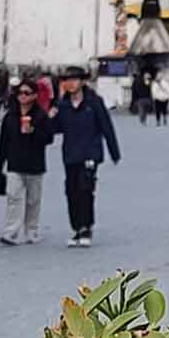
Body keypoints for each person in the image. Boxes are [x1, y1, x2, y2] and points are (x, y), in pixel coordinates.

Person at [53, 66, 120, 247]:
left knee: (85, 189)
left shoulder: (94, 102)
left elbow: (106, 127)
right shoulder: (62, 105)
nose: (70, 83)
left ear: (82, 81)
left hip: (90, 153)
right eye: (67, 80)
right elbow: (55, 129)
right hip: (70, 154)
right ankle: (76, 228)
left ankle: (86, 228)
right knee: (71, 191)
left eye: (74, 79)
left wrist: (114, 152)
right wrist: (49, 118)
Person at [0, 81, 55, 246]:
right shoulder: (10, 116)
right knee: (13, 197)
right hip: (14, 163)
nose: (22, 95)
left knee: (33, 200)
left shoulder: (41, 116)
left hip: (35, 163)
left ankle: (31, 230)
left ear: (35, 95)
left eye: (27, 93)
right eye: (20, 92)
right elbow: (3, 143)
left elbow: (49, 138)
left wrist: (33, 131)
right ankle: (10, 232)